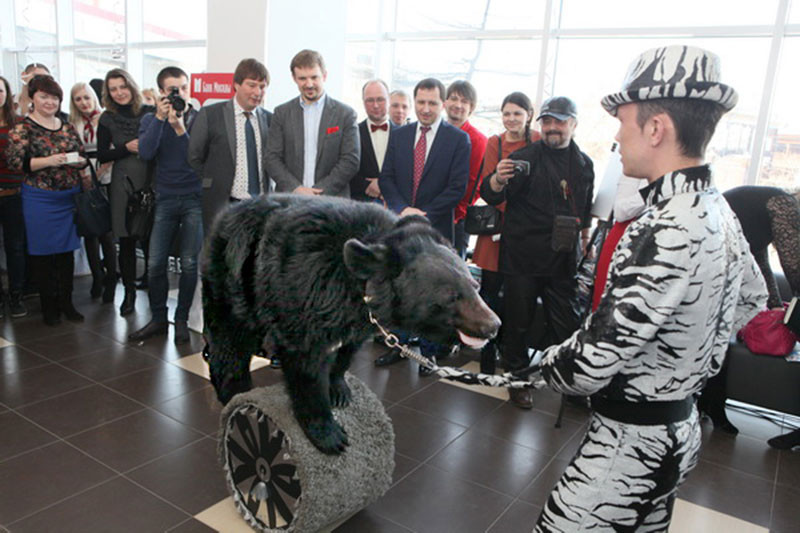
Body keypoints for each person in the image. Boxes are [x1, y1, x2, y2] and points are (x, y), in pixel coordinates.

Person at [532, 45, 767, 532]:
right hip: (679, 430)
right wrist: (681, 355)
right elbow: (752, 300)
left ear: (656, 128)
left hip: (628, 445)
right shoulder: (717, 207)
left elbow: (589, 364)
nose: (617, 136)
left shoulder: (665, 224)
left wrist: (537, 364)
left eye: (623, 122)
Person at [480, 95, 594, 409]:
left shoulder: (584, 164)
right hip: (522, 256)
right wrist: (497, 179)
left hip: (563, 257)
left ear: (573, 124)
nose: (553, 127)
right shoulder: (524, 157)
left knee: (567, 324)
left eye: (560, 121)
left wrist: (586, 238)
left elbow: (585, 205)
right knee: (517, 323)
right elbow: (489, 194)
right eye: (547, 121)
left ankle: (571, 384)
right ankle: (517, 380)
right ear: (539, 123)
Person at [379, 77, 471, 373]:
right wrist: (403, 209)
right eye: (421, 102)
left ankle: (430, 354)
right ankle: (399, 345)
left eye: (432, 103)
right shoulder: (400, 135)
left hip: (436, 228)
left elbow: (457, 187)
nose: (426, 109)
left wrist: (424, 213)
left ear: (443, 104)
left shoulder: (458, 140)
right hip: (402, 225)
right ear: (414, 101)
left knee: (435, 291)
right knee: (400, 285)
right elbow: (386, 177)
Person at [698, 185, 800, 436]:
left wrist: (774, 304)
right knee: (717, 335)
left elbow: (758, 258)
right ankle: (709, 404)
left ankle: (707, 403)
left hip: (706, 255)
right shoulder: (784, 206)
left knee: (714, 336)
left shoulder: (765, 202)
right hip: (712, 259)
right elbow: (794, 265)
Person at [5, 75, 88, 326]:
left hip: (68, 197)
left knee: (66, 252)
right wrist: (48, 161)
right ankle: (49, 307)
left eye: (54, 97)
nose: (49, 102)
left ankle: (67, 303)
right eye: (44, 97)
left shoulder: (67, 126)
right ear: (32, 98)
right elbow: (14, 162)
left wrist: (79, 162)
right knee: (42, 253)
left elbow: (81, 154)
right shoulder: (23, 127)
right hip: (39, 198)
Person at [128, 66, 202, 345]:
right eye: (173, 89)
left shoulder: (199, 118)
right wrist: (160, 119)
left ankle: (181, 319)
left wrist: (180, 128)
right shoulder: (151, 119)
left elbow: (197, 159)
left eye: (183, 87)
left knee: (189, 263)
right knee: (156, 263)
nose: (180, 93)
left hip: (194, 197)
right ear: (161, 92)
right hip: (165, 197)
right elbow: (146, 152)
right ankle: (159, 318)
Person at [472, 91, 541, 374]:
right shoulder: (495, 143)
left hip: (526, 233)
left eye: (517, 113)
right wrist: (499, 180)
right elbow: (486, 188)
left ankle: (512, 355)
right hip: (497, 231)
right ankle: (486, 352)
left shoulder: (539, 141)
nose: (511, 119)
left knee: (519, 298)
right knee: (488, 293)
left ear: (529, 115)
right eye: (507, 113)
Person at [189, 58, 272, 232]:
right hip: (223, 203)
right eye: (251, 85)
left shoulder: (270, 119)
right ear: (236, 84)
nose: (257, 92)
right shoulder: (210, 115)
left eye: (262, 86)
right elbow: (194, 156)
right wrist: (213, 182)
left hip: (260, 206)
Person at [97, 68, 155, 315]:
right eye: (113, 89)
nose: (119, 92)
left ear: (131, 86)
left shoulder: (150, 112)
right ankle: (129, 293)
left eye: (122, 86)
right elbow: (102, 154)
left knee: (152, 238)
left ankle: (154, 289)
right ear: (108, 93)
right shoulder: (107, 118)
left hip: (150, 180)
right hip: (122, 182)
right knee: (127, 239)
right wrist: (125, 148)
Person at [265, 49, 359, 198]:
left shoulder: (345, 114)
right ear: (294, 78)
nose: (309, 84)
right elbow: (272, 158)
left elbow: (350, 160)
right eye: (302, 78)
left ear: (324, 75)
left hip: (332, 201)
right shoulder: (281, 113)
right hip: (290, 200)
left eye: (314, 77)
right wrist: (296, 189)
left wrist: (318, 192)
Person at [69, 82, 116, 303]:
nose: (83, 102)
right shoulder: (73, 123)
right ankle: (97, 276)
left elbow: (114, 150)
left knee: (106, 231)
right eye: (78, 99)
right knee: (90, 231)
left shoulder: (106, 118)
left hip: (106, 177)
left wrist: (98, 172)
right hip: (84, 176)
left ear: (94, 97)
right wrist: (83, 175)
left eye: (86, 97)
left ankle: (111, 279)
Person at [446, 80, 488, 258]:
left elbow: (473, 183)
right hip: (429, 213)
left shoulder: (478, 140)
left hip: (457, 219)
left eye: (464, 101)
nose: (458, 105)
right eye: (454, 99)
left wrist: (457, 214)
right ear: (445, 102)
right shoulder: (434, 132)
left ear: (471, 107)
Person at [0, 76, 28, 319]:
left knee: (16, 247)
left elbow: (23, 160)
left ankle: (16, 295)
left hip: (14, 193)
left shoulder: (18, 124)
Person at [350, 79, 394, 203]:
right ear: (363, 102)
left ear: (389, 100)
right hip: (361, 203)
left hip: (396, 204)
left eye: (380, 99)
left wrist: (384, 185)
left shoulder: (404, 134)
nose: (375, 105)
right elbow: (346, 167)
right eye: (370, 100)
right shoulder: (351, 132)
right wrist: (367, 185)